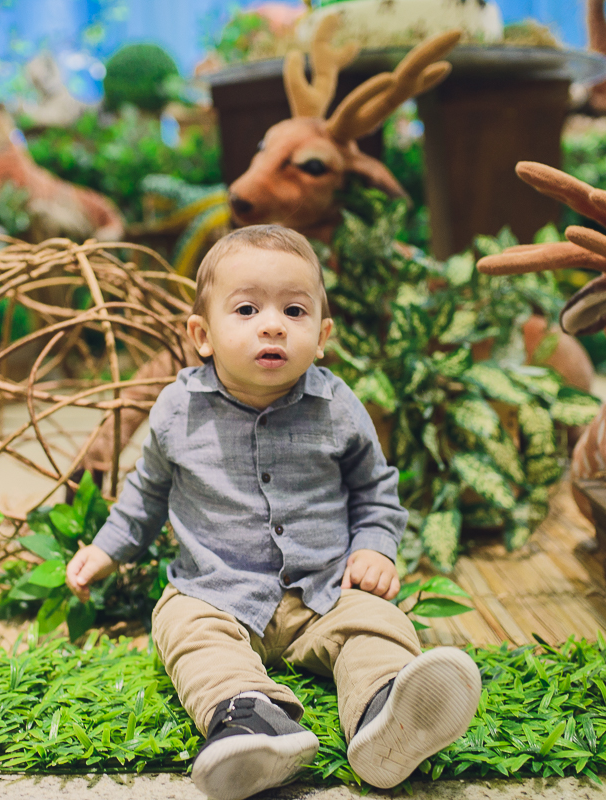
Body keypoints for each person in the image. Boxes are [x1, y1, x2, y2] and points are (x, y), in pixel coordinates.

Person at [65, 224, 481, 800]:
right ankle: (250, 719)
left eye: (293, 309)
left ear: (322, 334)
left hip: (324, 590)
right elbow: (144, 496)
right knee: (184, 629)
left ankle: (387, 710)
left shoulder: (337, 407)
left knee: (377, 621)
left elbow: (375, 490)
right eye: (246, 308)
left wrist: (374, 547)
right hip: (217, 591)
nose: (272, 324)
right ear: (201, 335)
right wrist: (105, 549)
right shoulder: (176, 411)